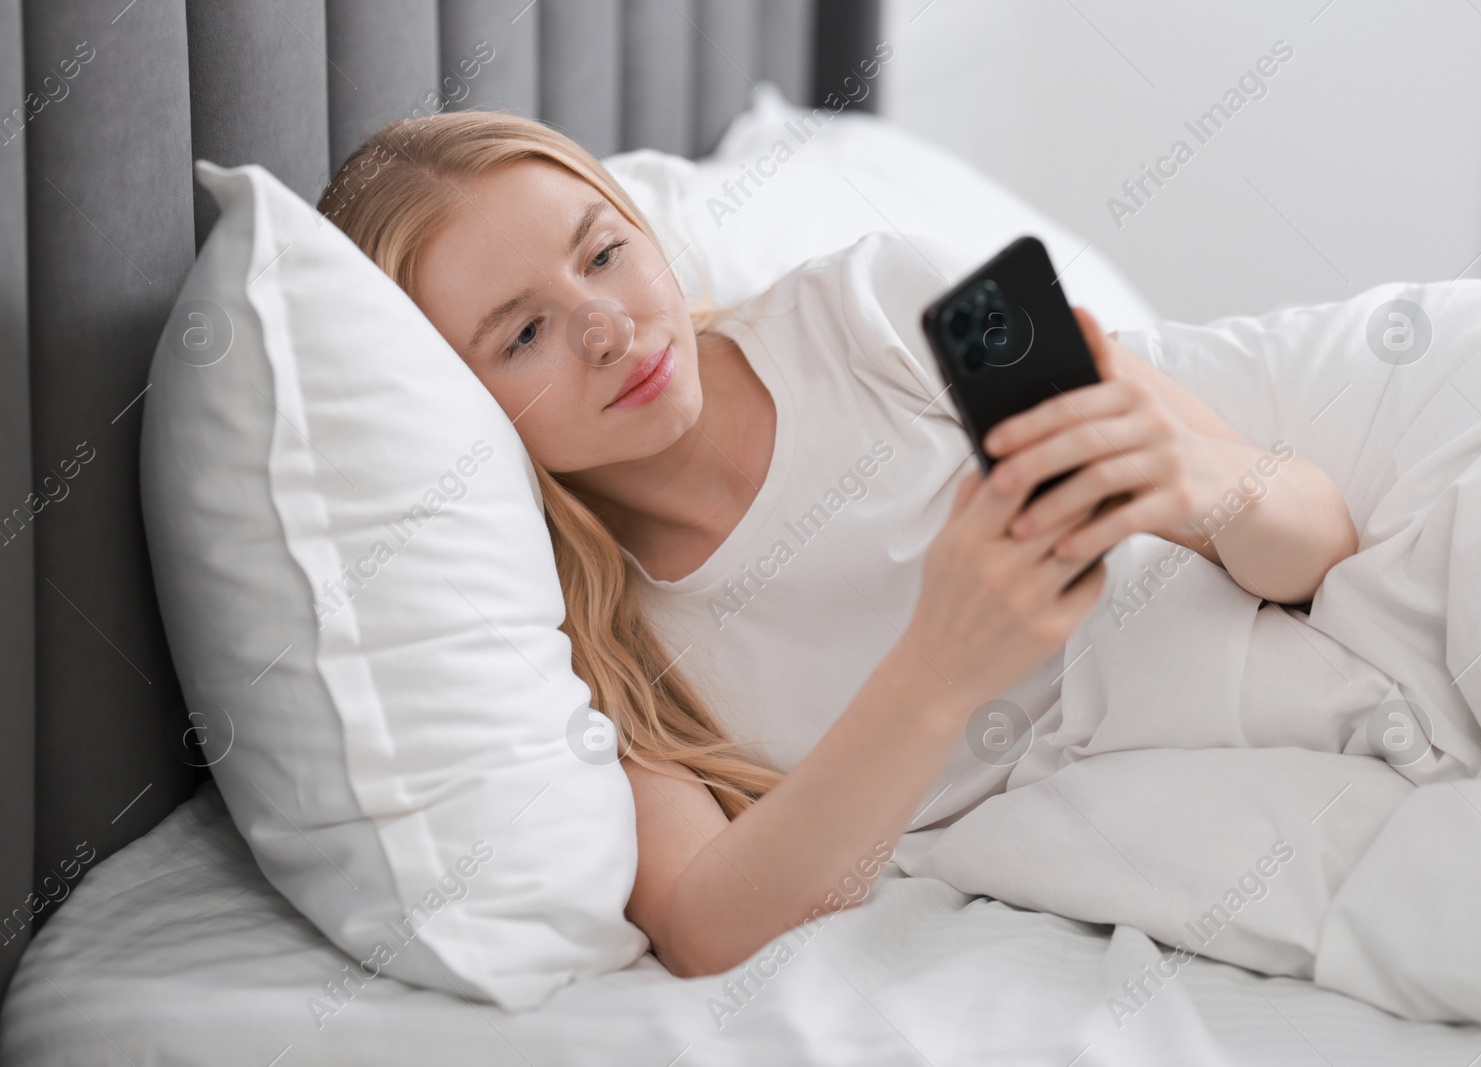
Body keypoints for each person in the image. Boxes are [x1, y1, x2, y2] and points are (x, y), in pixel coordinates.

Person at [321, 111, 1357, 979]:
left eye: (603, 252)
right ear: (455, 407)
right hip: (1180, 846)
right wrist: (940, 670)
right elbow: (702, 925)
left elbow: (1315, 539)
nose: (604, 326)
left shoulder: (893, 297)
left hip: (1311, 683)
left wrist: (1193, 478)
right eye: (522, 333)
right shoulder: (597, 640)